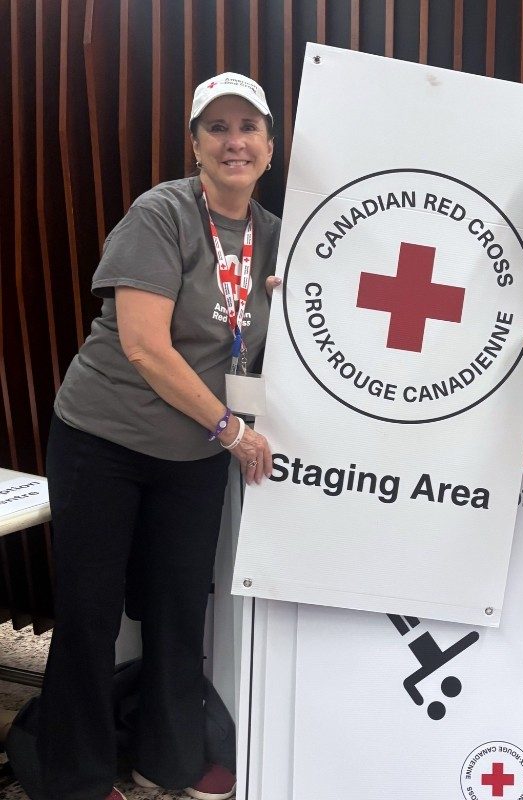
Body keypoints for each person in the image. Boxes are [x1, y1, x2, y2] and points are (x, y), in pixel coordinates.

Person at [34, 72, 281, 800]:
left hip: (194, 454)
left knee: (179, 610)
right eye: (217, 128)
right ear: (194, 144)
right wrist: (231, 430)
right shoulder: (161, 213)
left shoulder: (276, 236)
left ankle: (167, 760)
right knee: (90, 612)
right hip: (104, 441)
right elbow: (145, 347)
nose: (234, 142)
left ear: (270, 146)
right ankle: (74, 778)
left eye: (248, 128)